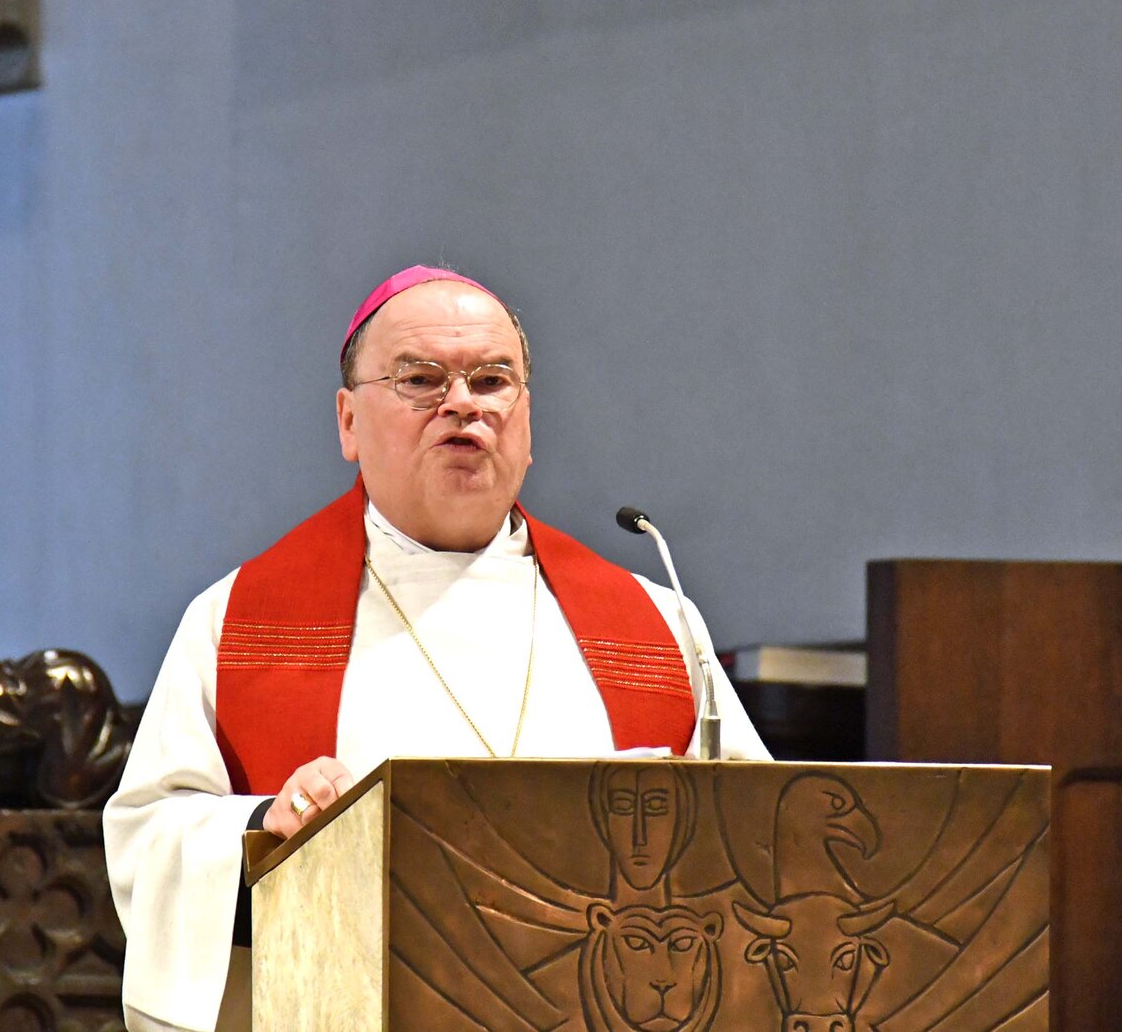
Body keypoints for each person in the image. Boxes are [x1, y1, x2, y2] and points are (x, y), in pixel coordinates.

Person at [103, 266, 769, 1031]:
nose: (462, 403)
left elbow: (765, 845)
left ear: (527, 421)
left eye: (492, 380)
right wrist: (262, 826)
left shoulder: (654, 622)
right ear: (348, 421)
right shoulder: (239, 621)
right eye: (421, 378)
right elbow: (149, 834)